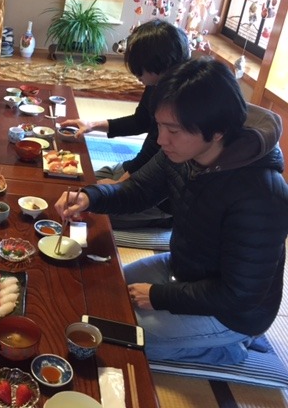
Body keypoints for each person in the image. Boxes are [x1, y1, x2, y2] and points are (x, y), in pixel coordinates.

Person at [55, 57, 288, 365]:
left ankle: (228, 349)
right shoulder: (182, 153)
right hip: (184, 268)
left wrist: (158, 296)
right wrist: (90, 197)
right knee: (101, 292)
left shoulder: (262, 195)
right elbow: (138, 191)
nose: (161, 139)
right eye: (160, 126)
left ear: (217, 132)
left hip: (232, 312)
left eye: (173, 130)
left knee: (123, 338)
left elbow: (240, 294)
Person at [60, 19, 190, 229]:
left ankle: (161, 220)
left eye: (140, 69)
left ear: (160, 64)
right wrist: (92, 125)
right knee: (72, 186)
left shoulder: (179, 104)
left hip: (158, 196)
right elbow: (140, 121)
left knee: (85, 215)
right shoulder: (157, 84)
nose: (136, 75)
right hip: (137, 168)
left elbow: (156, 153)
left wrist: (120, 184)